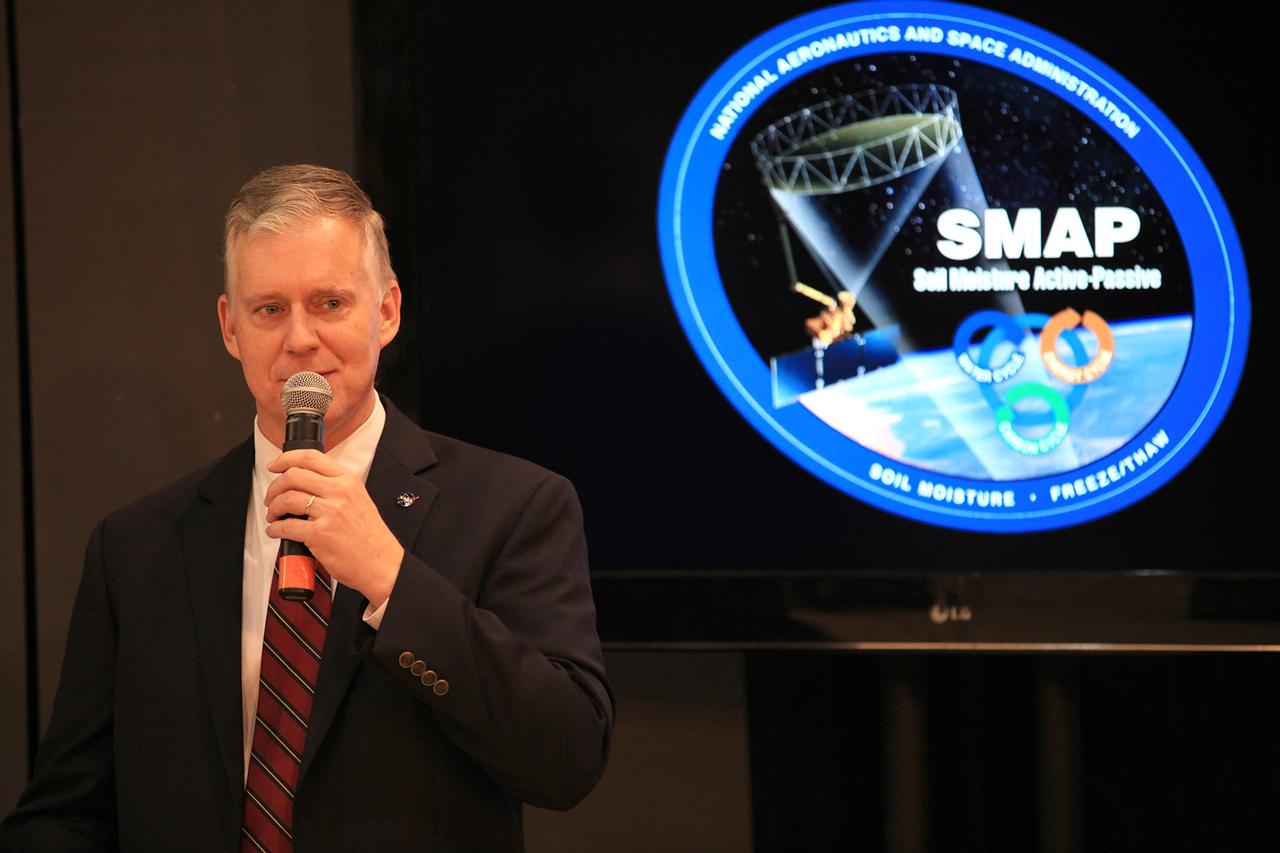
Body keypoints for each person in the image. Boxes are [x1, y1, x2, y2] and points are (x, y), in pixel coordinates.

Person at [1, 165, 613, 852]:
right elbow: (63, 812)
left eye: (328, 303)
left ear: (386, 310)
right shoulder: (135, 546)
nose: (299, 339)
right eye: (270, 309)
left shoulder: (515, 506)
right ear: (231, 327)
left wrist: (391, 577)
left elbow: (568, 758)